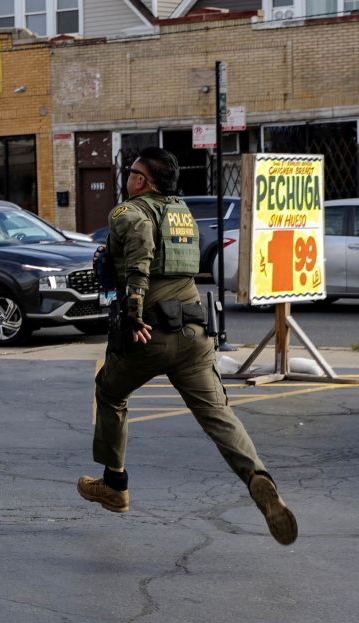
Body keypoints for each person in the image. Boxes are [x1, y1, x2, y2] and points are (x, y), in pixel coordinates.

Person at [77, 147, 298, 545]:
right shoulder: (182, 214)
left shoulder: (130, 212)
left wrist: (133, 311)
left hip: (149, 334)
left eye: (132, 172)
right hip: (195, 333)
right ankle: (257, 477)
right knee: (218, 414)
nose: (127, 178)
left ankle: (115, 485)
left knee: (109, 392)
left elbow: (141, 256)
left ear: (142, 181)